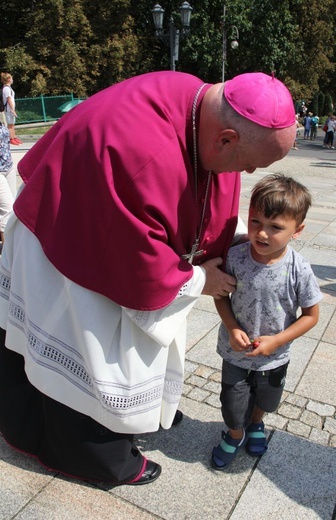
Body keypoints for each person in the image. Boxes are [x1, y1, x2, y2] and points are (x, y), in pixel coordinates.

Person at [0, 71, 296, 485]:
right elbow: (131, 263)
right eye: (249, 163)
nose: (246, 173)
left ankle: (141, 412)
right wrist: (197, 280)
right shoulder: (139, 149)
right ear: (226, 138)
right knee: (93, 356)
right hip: (69, 254)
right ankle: (91, 456)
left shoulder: (196, 105)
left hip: (96, 243)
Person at [211, 173, 322, 470]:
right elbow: (220, 295)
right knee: (233, 405)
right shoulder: (235, 257)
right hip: (236, 351)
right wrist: (233, 327)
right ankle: (235, 434)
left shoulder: (299, 268)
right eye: (256, 222)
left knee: (267, 400)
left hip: (275, 357)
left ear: (297, 231)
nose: (261, 234)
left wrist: (278, 341)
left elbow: (311, 316)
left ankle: (257, 424)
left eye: (275, 227)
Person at [0, 122, 16, 244]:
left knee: (15, 209)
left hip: (8, 167)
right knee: (8, 210)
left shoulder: (1, 119)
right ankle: (7, 256)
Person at [1, 72, 22, 145]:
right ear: (9, 79)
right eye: (11, 78)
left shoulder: (9, 88)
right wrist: (12, 109)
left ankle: (14, 137)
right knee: (10, 124)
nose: (12, 79)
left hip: (11, 108)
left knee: (12, 123)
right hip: (9, 109)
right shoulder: (6, 88)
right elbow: (9, 99)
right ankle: (11, 138)